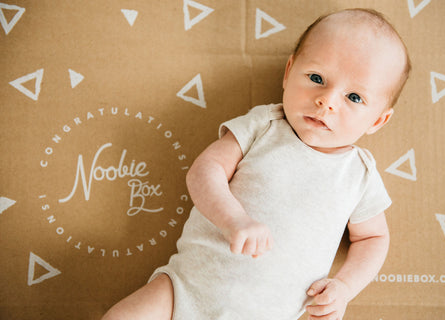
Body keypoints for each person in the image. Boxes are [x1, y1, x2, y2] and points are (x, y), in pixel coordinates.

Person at [103, 8, 411, 320]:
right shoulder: (264, 125)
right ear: (289, 71)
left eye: (354, 97)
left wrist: (344, 287)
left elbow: (372, 238)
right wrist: (234, 219)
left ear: (378, 120)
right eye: (316, 78)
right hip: (185, 290)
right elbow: (204, 171)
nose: (327, 100)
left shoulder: (359, 174)